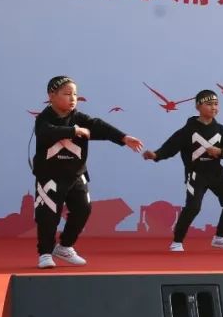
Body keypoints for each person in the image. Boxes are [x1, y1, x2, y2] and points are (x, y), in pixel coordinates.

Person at [32, 75, 143, 268]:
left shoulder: (79, 118)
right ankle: (45, 253)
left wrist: (123, 138)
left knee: (83, 209)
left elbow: (99, 126)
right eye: (67, 94)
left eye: (75, 94)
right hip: (49, 176)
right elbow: (46, 132)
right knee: (48, 215)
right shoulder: (44, 118)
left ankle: (65, 246)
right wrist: (73, 131)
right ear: (51, 95)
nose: (73, 98)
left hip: (76, 175)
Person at [143, 89, 223, 251]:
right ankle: (177, 242)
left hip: (217, 173)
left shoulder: (221, 129)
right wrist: (155, 155)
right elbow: (170, 147)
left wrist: (220, 152)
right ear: (198, 107)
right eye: (209, 104)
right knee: (193, 207)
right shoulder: (187, 130)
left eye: (216, 104)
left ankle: (220, 238)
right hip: (196, 174)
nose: (214, 108)